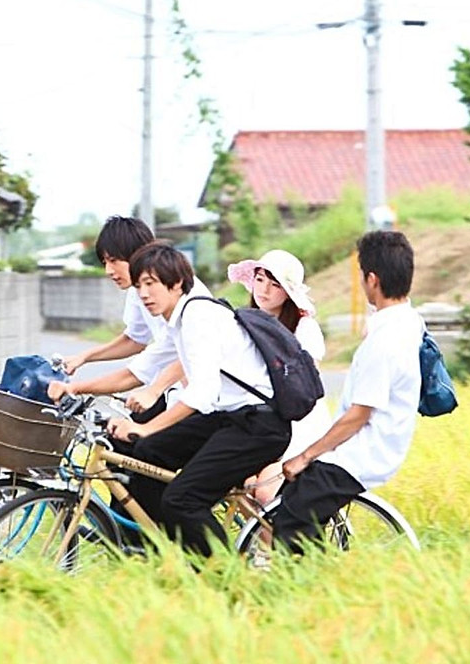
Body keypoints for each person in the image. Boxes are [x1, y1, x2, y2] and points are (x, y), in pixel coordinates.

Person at [104, 242, 291, 558]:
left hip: (260, 425)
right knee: (148, 454)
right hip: (231, 416)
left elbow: (201, 393)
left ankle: (224, 574)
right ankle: (160, 551)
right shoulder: (178, 319)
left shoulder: (197, 317)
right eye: (138, 287)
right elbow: (142, 369)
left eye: (151, 284)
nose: (144, 294)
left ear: (176, 284)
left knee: (182, 498)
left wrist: (147, 427)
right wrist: (75, 388)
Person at [274, 230, 423, 554]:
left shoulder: (384, 341)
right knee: (294, 498)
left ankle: (301, 586)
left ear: (371, 279)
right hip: (371, 447)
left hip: (361, 454)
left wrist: (305, 455)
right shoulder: (408, 322)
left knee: (290, 517)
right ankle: (315, 570)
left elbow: (357, 416)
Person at [52, 219, 209, 422]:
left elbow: (184, 356)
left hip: (203, 398)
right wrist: (84, 357)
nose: (108, 271)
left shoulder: (182, 295)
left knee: (142, 443)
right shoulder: (139, 290)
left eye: (114, 260)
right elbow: (135, 339)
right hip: (174, 391)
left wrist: (74, 388)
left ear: (140, 254)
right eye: (104, 262)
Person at [226, 249, 329, 506]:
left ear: (288, 293)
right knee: (238, 487)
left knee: (263, 493)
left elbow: (304, 383)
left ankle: (276, 547)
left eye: (275, 285)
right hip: (258, 420)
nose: (264, 290)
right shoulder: (241, 323)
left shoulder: (304, 328)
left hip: (299, 423)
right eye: (260, 280)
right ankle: (255, 545)